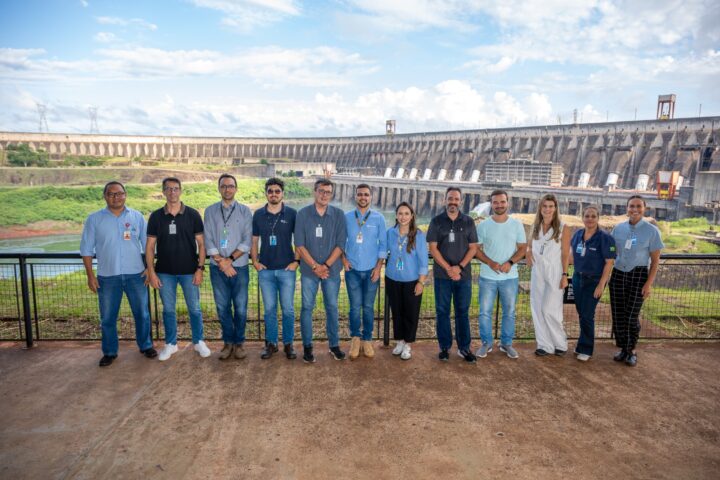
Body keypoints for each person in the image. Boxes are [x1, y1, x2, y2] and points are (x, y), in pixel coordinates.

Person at [80, 181, 156, 367]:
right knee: (107, 317)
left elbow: (148, 245)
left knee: (143, 314)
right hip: (107, 277)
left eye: (120, 193)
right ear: (105, 196)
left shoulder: (137, 217)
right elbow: (86, 249)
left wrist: (149, 267)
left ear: (125, 194)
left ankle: (146, 346)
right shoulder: (94, 219)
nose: (116, 197)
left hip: (136, 275)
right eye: (111, 194)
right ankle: (110, 352)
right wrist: (91, 276)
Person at [146, 177, 210, 361]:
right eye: (168, 189)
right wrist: (151, 271)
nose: (172, 192)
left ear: (180, 191)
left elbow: (202, 244)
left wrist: (200, 268)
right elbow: (150, 246)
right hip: (164, 272)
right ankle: (171, 344)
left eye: (175, 189)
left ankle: (199, 341)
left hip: (190, 271)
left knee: (195, 309)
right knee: (168, 310)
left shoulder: (192, 214)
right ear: (163, 192)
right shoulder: (156, 216)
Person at [294, 178, 347, 363]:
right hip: (309, 272)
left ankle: (334, 345)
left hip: (331, 272)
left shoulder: (339, 215)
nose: (325, 195)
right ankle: (308, 347)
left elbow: (341, 244)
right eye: (321, 191)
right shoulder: (303, 214)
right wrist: (316, 267)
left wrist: (326, 266)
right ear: (314, 192)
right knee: (307, 308)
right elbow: (299, 244)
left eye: (328, 192)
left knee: (332, 308)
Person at [609, 195, 663, 367]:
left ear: (644, 209)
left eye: (638, 206)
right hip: (618, 274)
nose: (635, 209)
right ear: (627, 208)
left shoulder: (652, 231)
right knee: (618, 314)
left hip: (638, 275)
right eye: (631, 206)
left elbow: (655, 261)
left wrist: (648, 284)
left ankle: (632, 350)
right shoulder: (618, 229)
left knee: (631, 315)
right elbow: (611, 252)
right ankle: (623, 348)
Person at [204, 173, 253, 361]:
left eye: (231, 186)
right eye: (224, 186)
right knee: (222, 307)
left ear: (236, 188)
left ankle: (239, 342)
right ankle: (228, 343)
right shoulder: (210, 211)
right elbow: (208, 239)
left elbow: (247, 241)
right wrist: (221, 262)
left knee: (240, 307)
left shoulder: (245, 211)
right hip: (217, 269)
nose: (227, 189)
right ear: (219, 188)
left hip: (239, 267)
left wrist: (229, 260)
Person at [427, 187, 478, 363]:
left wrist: (459, 268)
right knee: (442, 311)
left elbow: (473, 248)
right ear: (444, 200)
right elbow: (432, 248)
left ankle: (464, 348)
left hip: (463, 276)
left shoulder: (469, 222)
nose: (453, 202)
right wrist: (449, 268)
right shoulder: (436, 222)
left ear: (461, 201)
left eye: (456, 199)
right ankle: (444, 347)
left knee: (462, 312)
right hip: (442, 276)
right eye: (450, 199)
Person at [475, 190, 527, 359]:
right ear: (491, 204)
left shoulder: (517, 225)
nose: (499, 205)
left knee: (509, 312)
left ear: (507, 203)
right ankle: (486, 343)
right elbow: (476, 249)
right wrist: (490, 262)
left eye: (502, 202)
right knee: (484, 312)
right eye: (496, 202)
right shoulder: (483, 226)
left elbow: (522, 249)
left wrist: (510, 263)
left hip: (510, 277)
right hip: (487, 277)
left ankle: (506, 343)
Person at [251, 177, 299, 360]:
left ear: (282, 194)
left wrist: (296, 262)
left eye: (277, 191)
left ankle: (288, 344)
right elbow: (254, 240)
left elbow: (300, 240)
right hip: (266, 270)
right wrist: (255, 262)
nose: (273, 194)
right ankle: (271, 343)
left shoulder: (292, 214)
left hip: (287, 270)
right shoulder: (258, 215)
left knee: (287, 309)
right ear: (266, 193)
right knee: (270, 309)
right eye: (270, 191)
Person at [342, 184, 387, 359]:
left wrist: (378, 268)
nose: (363, 197)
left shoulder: (379, 218)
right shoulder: (346, 217)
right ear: (356, 197)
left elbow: (383, 245)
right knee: (354, 307)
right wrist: (343, 260)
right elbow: (340, 241)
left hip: (371, 271)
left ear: (371, 197)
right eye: (360, 194)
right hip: (352, 269)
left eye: (366, 195)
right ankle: (355, 338)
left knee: (368, 307)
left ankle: (367, 339)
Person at [526, 194, 571, 356]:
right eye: (545, 206)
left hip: (555, 272)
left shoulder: (563, 227)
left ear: (555, 208)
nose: (547, 209)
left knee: (550, 309)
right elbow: (530, 246)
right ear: (540, 208)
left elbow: (565, 253)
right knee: (537, 308)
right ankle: (544, 345)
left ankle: (560, 343)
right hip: (537, 271)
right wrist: (528, 252)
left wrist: (565, 275)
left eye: (551, 206)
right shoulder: (535, 226)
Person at [570, 205, 616, 362]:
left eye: (593, 216)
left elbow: (609, 262)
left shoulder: (605, 238)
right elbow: (571, 256)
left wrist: (601, 285)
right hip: (577, 278)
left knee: (587, 315)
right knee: (582, 313)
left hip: (594, 280)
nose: (590, 219)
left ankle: (586, 349)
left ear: (598, 218)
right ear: (582, 218)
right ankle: (582, 344)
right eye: (587, 216)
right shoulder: (577, 235)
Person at [385, 202, 428, 360]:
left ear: (412, 216)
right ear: (396, 215)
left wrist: (421, 282)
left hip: (412, 280)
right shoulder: (390, 233)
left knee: (410, 313)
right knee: (396, 312)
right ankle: (399, 341)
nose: (403, 217)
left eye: (406, 213)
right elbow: (383, 251)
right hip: (392, 278)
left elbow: (424, 261)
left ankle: (408, 344)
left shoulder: (419, 235)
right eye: (400, 213)